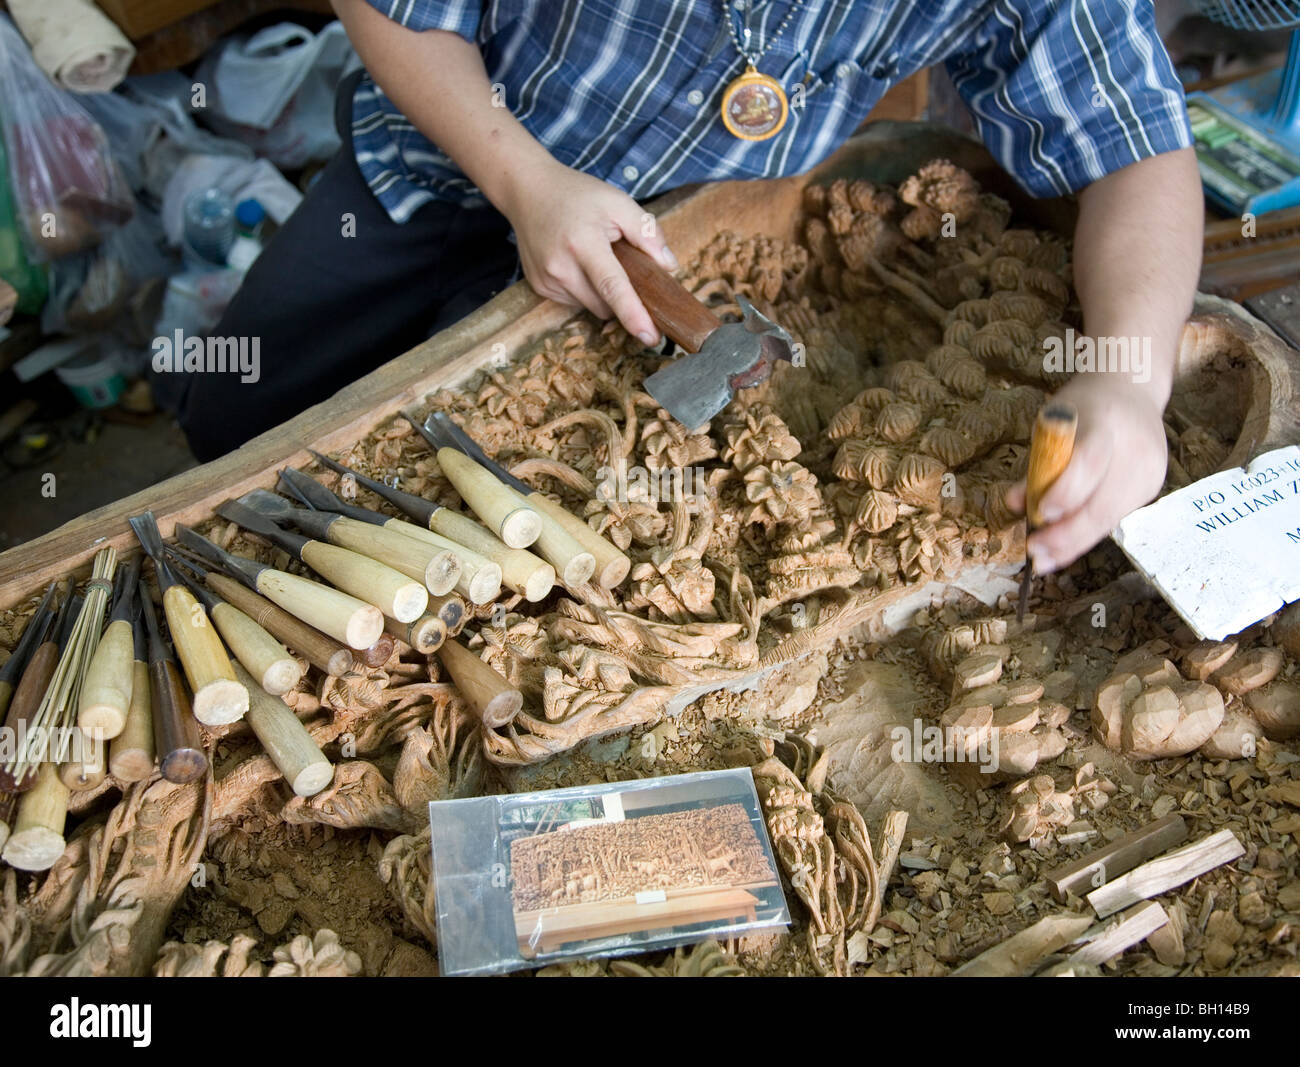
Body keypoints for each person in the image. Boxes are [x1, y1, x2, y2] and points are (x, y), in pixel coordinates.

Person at [175, 0, 1203, 580]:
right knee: (234, 407)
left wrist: (1130, 374)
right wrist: (524, 182)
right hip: (431, 159)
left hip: (648, 255)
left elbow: (1135, 149)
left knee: (421, 490)